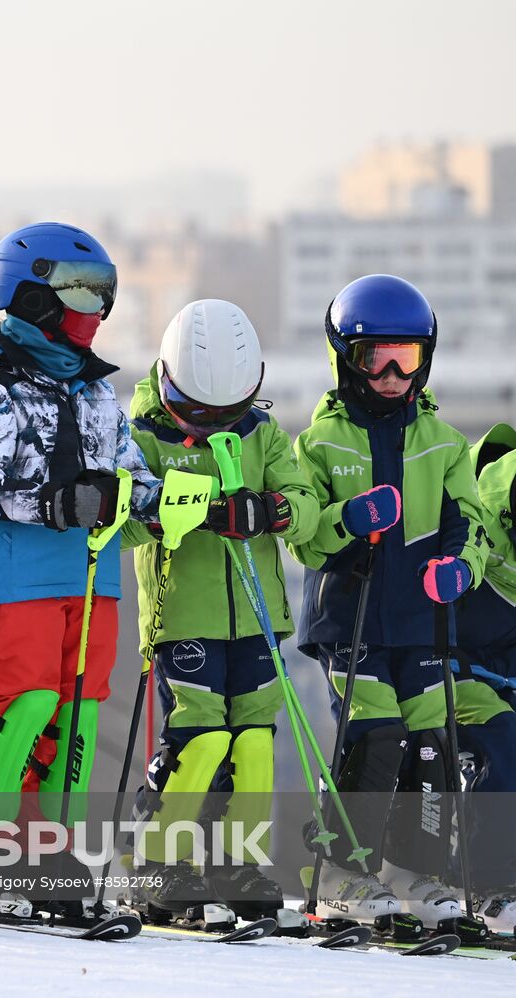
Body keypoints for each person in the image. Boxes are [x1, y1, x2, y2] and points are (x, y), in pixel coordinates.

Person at [0, 222, 162, 913]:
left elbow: (136, 477)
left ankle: (45, 852)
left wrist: (151, 500)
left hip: (94, 576)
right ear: (30, 296)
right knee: (24, 706)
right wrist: (58, 499)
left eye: (104, 296)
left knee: (76, 714)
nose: (94, 312)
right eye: (79, 294)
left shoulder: (96, 391)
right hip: (21, 571)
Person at [289, 274, 487, 927]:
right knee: (377, 736)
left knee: (432, 739)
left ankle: (415, 873)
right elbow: (306, 540)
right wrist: (350, 519)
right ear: (346, 359)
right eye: (378, 357)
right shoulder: (321, 443)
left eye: (410, 356)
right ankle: (346, 872)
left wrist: (460, 567)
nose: (396, 373)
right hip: (353, 619)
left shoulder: (444, 444)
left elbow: (471, 524)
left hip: (420, 620)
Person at [120, 299, 319, 921]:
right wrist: (194, 506)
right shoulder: (143, 434)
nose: (210, 424)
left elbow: (303, 499)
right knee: (201, 738)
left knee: (255, 741)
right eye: (198, 411)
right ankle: (160, 864)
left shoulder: (260, 433)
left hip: (257, 618)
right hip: (182, 617)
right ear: (169, 381)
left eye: (224, 412)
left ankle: (235, 861)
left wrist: (273, 510)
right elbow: (123, 519)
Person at [454, 423, 516, 930]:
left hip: (502, 672)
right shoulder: (472, 521)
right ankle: (490, 883)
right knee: (506, 738)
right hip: (450, 674)